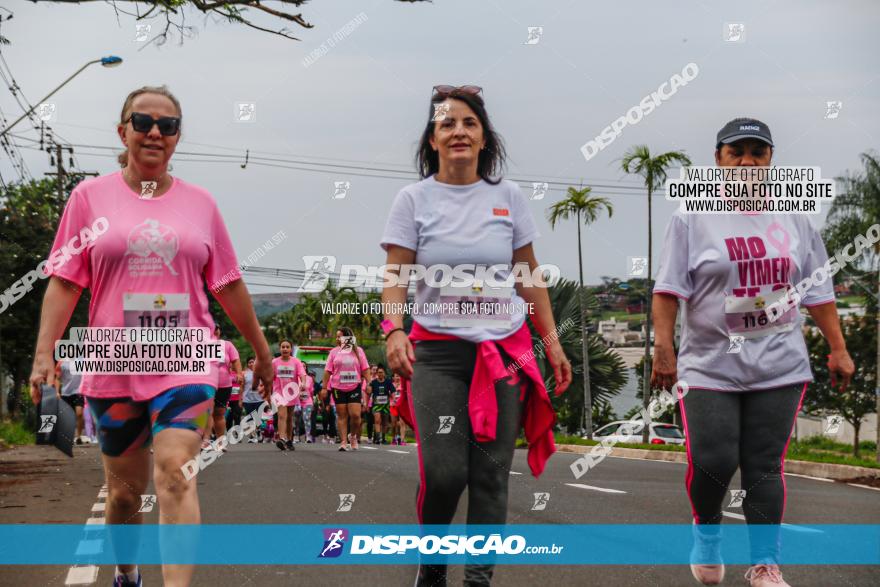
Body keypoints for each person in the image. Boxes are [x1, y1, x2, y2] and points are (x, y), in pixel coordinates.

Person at [28, 85, 272, 587]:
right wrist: (43, 355)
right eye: (143, 122)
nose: (155, 133)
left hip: (187, 358)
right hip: (112, 362)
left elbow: (227, 282)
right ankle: (127, 572)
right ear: (123, 131)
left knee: (176, 470)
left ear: (178, 138)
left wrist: (262, 352)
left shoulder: (201, 204)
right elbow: (65, 280)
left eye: (168, 125)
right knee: (123, 493)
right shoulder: (88, 198)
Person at [651, 117, 855, 587]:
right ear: (718, 160)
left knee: (764, 464)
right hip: (709, 365)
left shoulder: (796, 220)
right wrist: (665, 348)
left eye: (757, 153)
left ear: (770, 162)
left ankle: (765, 564)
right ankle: (707, 531)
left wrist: (838, 349)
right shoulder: (692, 218)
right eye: (736, 152)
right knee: (715, 459)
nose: (747, 161)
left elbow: (818, 292)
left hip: (779, 362)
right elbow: (667, 290)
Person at [381, 84, 572, 586]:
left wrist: (551, 341)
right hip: (438, 355)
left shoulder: (508, 198)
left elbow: (529, 275)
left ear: (484, 136)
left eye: (468, 122)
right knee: (445, 474)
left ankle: (478, 580)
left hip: (503, 352)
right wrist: (394, 330)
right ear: (432, 140)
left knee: (489, 476)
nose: (459, 131)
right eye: (447, 124)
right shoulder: (413, 199)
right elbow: (396, 275)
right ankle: (434, 567)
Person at [322, 327, 370, 451]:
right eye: (337, 337)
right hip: (338, 387)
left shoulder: (358, 351)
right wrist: (324, 388)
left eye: (340, 336)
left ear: (348, 338)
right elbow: (327, 371)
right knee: (342, 415)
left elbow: (365, 368)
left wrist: (369, 383)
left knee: (355, 416)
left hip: (354, 386)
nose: (337, 339)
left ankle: (352, 436)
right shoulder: (333, 352)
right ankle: (343, 441)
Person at [210, 324, 241, 450]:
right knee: (205, 413)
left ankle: (220, 442)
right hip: (205, 384)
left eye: (217, 328)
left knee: (219, 413)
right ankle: (205, 441)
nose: (214, 331)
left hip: (224, 385)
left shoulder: (227, 345)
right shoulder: (198, 344)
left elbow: (236, 360)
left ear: (219, 330)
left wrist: (239, 373)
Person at [271, 340, 306, 450]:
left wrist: (303, 383)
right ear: (280, 349)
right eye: (283, 347)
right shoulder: (274, 362)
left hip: (291, 393)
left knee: (289, 418)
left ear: (291, 349)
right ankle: (282, 439)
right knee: (282, 416)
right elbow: (270, 377)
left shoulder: (296, 362)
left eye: (287, 347)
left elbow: (302, 374)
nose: (285, 349)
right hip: (279, 393)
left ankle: (289, 440)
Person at [55, 358, 86, 443]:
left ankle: (78, 436)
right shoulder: (62, 363)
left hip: (78, 392)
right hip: (66, 393)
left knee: (79, 413)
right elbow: (57, 378)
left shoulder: (82, 361)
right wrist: (57, 392)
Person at [369, 364, 394, 444]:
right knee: (377, 420)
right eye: (379, 372)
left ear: (384, 373)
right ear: (376, 373)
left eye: (382, 372)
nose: (380, 374)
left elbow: (393, 391)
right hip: (376, 405)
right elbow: (368, 393)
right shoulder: (373, 382)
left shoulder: (388, 382)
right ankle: (378, 438)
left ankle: (383, 438)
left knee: (385, 422)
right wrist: (366, 403)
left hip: (385, 405)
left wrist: (393, 400)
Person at [241, 357, 263, 443]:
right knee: (250, 418)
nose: (251, 364)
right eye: (249, 362)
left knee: (257, 418)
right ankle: (252, 436)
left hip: (259, 399)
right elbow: (242, 387)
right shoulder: (244, 374)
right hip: (247, 400)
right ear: (247, 364)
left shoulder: (261, 373)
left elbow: (265, 384)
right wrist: (240, 398)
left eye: (253, 362)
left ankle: (259, 432)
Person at [389, 373, 407, 445]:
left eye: (399, 376)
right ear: (393, 377)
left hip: (402, 406)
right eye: (396, 376)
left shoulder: (403, 385)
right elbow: (388, 395)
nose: (398, 377)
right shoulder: (391, 385)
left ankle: (402, 440)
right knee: (394, 424)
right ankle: (394, 438)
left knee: (402, 423)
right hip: (393, 406)